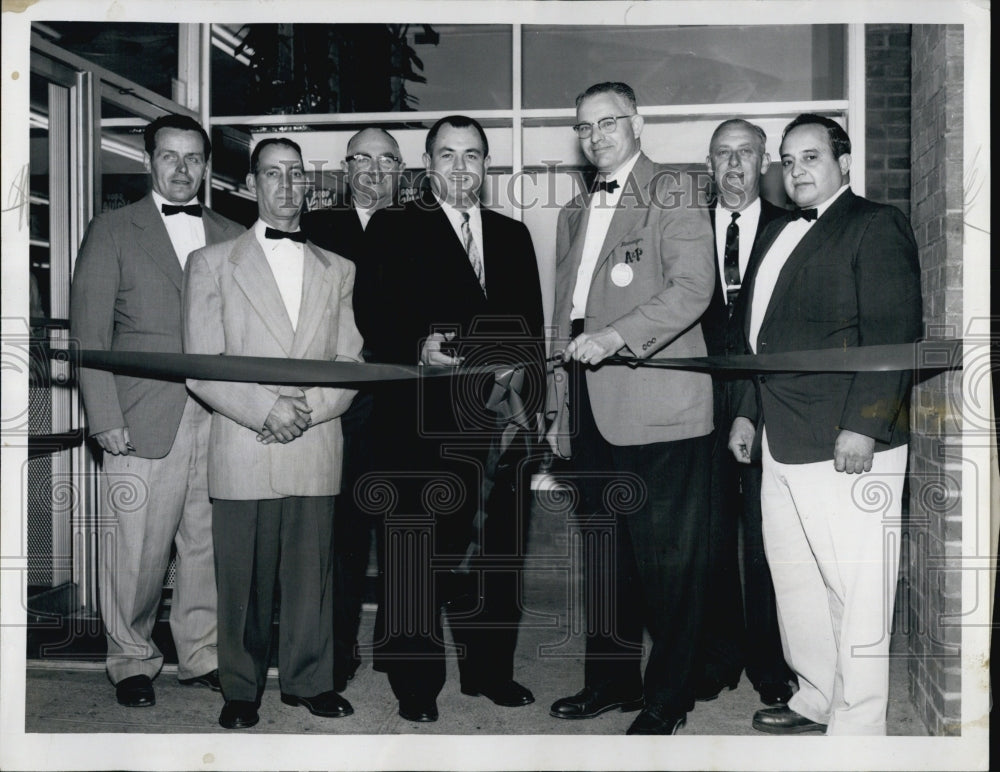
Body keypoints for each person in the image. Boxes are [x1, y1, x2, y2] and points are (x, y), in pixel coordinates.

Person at [728, 114, 922, 735]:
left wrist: (865, 424)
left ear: (842, 161)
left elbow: (893, 337)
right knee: (798, 583)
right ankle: (815, 696)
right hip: (780, 442)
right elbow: (762, 342)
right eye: (787, 161)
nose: (797, 171)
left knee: (859, 590)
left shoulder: (875, 225)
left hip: (846, 440)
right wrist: (745, 414)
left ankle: (860, 724)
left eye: (810, 157)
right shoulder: (778, 234)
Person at [361, 115, 545, 723]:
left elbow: (531, 334)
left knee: (498, 552)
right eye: (447, 155)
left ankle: (489, 671)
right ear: (428, 163)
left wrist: (533, 415)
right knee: (416, 551)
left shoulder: (514, 235)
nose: (460, 166)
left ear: (486, 165)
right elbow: (372, 312)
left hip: (501, 424)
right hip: (421, 421)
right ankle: (415, 682)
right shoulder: (393, 227)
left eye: (472, 155)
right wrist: (415, 346)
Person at [545, 82, 715, 735]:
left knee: (667, 562)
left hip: (657, 401)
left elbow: (692, 289)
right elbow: (565, 316)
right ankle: (611, 681)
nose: (596, 136)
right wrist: (558, 405)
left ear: (638, 122)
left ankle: (667, 698)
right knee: (606, 554)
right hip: (588, 403)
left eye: (609, 122)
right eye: (585, 127)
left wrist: (617, 338)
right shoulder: (572, 211)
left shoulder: (672, 189)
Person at [183, 137, 364, 730]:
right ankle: (241, 688)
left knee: (311, 575)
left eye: (296, 174)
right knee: (241, 580)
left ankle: (310, 681)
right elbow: (201, 365)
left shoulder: (339, 269)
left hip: (314, 441)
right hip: (244, 441)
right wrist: (266, 411)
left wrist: (308, 410)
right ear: (252, 184)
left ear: (307, 184)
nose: (287, 186)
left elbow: (350, 361)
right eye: (273, 174)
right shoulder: (211, 264)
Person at [70, 113, 244, 709]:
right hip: (140, 416)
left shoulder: (228, 232)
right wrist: (104, 416)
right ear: (148, 159)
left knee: (205, 544)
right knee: (137, 549)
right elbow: (88, 336)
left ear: (205, 164)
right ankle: (131, 660)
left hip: (219, 416)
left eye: (193, 158)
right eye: (170, 156)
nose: (182, 169)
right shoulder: (113, 230)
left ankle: (200, 655)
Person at [694, 119, 796, 707]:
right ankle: (719, 656)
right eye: (723, 155)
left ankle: (770, 662)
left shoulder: (791, 231)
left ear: (764, 164)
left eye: (746, 154)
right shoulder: (682, 230)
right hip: (696, 409)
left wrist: (753, 410)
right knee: (706, 537)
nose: (734, 165)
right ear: (709, 166)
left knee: (766, 538)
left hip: (767, 404)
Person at [301, 127, 404, 692]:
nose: (371, 168)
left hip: (404, 405)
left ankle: (397, 648)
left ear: (400, 170)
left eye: (384, 159)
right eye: (360, 158)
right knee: (340, 536)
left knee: (404, 531)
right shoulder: (315, 228)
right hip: (338, 406)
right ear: (345, 169)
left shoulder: (423, 227)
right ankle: (337, 652)